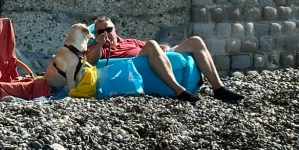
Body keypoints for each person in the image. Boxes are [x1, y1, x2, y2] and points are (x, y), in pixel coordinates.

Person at [85, 16, 243, 103]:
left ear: (115, 29)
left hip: (154, 56)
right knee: (152, 44)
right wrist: (99, 44)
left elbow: (157, 46)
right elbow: (91, 61)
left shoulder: (129, 41)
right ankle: (179, 90)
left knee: (196, 41)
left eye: (109, 29)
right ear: (96, 34)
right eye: (101, 31)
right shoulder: (98, 47)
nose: (106, 33)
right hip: (135, 63)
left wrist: (164, 48)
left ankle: (218, 88)